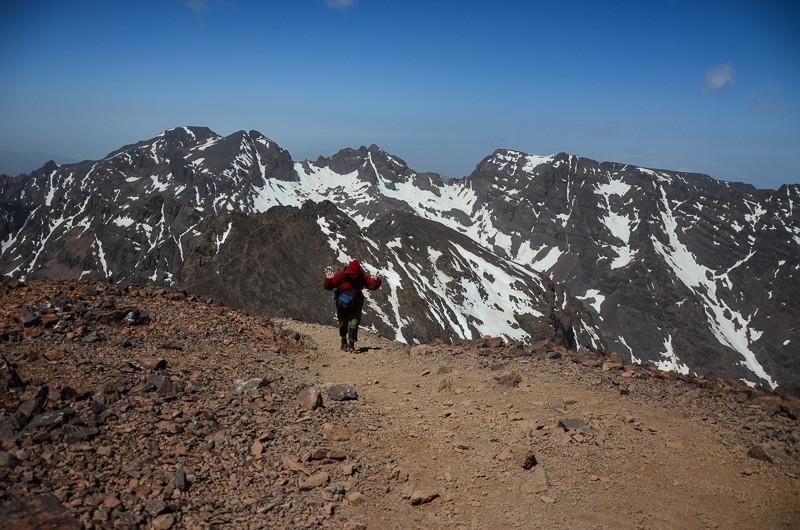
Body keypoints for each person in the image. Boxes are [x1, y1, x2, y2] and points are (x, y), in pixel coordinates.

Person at [324, 259, 381, 352]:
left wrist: (376, 280)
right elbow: (329, 287)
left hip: (356, 305)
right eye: (351, 274)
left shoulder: (362, 277)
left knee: (354, 324)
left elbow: (371, 286)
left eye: (354, 274)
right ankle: (343, 341)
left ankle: (351, 345)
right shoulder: (342, 275)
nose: (353, 276)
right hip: (342, 306)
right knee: (343, 325)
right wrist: (329, 279)